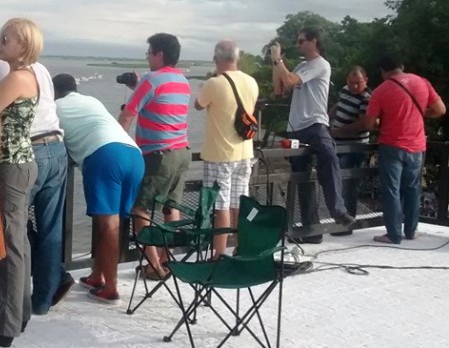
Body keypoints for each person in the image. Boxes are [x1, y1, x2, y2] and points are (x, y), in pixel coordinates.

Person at [53, 73, 144, 304]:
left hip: (105, 155)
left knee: (108, 225)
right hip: (134, 154)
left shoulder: (55, 107)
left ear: (54, 92)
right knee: (116, 222)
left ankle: (110, 288)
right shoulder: (91, 100)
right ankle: (97, 275)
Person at [117, 33, 191, 281]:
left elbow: (128, 115)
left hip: (158, 156)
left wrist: (117, 143)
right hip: (182, 152)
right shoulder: (182, 81)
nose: (147, 57)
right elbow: (161, 104)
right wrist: (138, 87)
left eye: (149, 53)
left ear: (160, 54)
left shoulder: (150, 79)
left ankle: (153, 266)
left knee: (140, 209)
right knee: (171, 208)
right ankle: (167, 260)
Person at [270, 27, 355, 244]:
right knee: (302, 177)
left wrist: (279, 60)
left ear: (313, 41)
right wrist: (275, 63)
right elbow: (279, 89)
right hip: (296, 127)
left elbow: (290, 81)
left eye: (301, 41)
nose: (298, 45)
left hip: (315, 124)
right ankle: (312, 228)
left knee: (329, 156)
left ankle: (337, 209)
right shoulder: (300, 66)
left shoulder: (320, 64)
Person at [0, 18, 41, 347]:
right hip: (21, 164)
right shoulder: (27, 76)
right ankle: (19, 313)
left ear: (24, 46)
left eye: (6, 39)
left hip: (11, 166)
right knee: (17, 241)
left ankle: (5, 326)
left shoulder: (17, 78)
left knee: (7, 245)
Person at [358, 55, 445, 244]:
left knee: (391, 190)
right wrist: (420, 114)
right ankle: (411, 231)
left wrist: (383, 120)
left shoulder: (381, 91)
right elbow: (440, 109)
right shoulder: (422, 82)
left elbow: (368, 124)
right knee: (413, 189)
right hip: (417, 146)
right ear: (402, 66)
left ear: (383, 71)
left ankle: (394, 234)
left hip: (391, 146)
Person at [194, 40, 258, 257]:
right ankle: (241, 248)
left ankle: (218, 254)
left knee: (220, 206)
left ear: (216, 59)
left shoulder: (214, 83)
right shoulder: (251, 82)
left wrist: (213, 78)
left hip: (220, 154)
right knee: (239, 203)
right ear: (237, 58)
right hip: (245, 152)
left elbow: (198, 105)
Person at [27, 60, 73, 315]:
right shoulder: (41, 69)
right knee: (51, 228)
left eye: (5, 41)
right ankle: (43, 298)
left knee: (10, 223)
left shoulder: (5, 69)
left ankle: (14, 300)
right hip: (56, 146)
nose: (0, 43)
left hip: (31, 149)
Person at [329, 66, 372, 236]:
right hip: (337, 144)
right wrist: (327, 117)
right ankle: (340, 220)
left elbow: (362, 125)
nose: (354, 86)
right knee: (338, 183)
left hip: (354, 146)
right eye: (351, 82)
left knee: (349, 185)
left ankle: (346, 225)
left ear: (365, 81)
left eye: (358, 83)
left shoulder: (367, 98)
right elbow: (339, 106)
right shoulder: (345, 90)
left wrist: (338, 131)